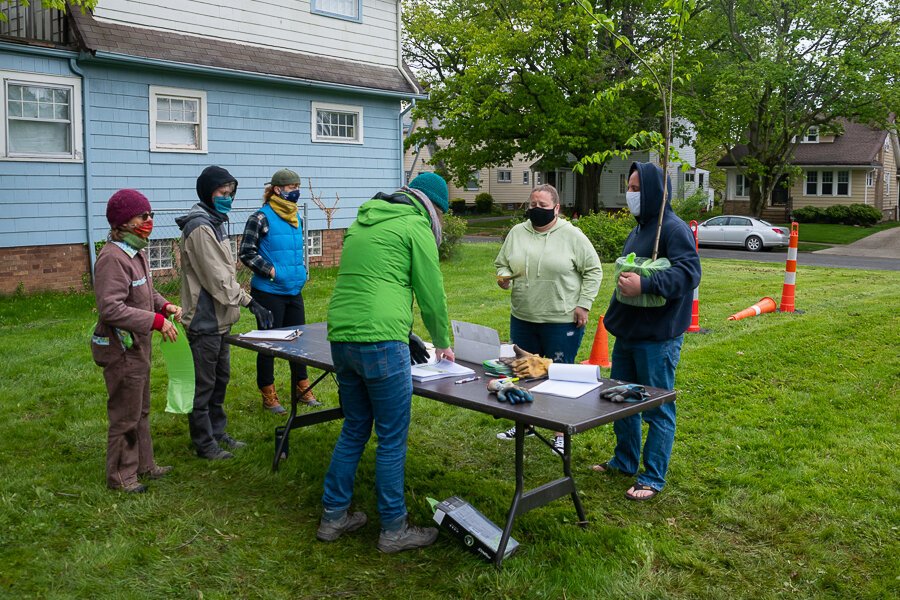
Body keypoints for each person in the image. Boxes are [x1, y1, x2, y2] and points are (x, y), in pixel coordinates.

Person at [318, 172, 454, 553]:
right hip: (380, 342)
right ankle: (393, 529)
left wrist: (405, 330)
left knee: (355, 427)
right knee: (391, 438)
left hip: (342, 337)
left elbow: (372, 281)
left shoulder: (363, 220)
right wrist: (442, 341)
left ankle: (333, 516)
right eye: (440, 214)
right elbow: (431, 290)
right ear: (432, 207)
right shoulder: (415, 226)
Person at [592, 162, 701, 501]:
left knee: (656, 406)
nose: (631, 194)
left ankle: (652, 476)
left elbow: (689, 273)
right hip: (628, 334)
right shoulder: (640, 229)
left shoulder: (672, 229)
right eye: (630, 187)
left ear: (656, 191)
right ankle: (624, 461)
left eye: (638, 188)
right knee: (621, 401)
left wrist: (647, 283)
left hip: (658, 338)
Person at [494, 184, 603, 450]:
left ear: (556, 208)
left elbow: (594, 270)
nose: (536, 210)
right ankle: (526, 423)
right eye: (532, 205)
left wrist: (584, 305)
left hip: (560, 319)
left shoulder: (572, 236)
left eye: (542, 206)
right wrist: (504, 275)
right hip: (523, 316)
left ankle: (559, 434)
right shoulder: (517, 233)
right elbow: (502, 262)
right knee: (524, 372)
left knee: (557, 375)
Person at [177, 166, 274, 460]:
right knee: (204, 384)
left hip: (220, 319)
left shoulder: (217, 222)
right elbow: (218, 278)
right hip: (205, 319)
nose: (228, 199)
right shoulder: (200, 227)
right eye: (222, 193)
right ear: (208, 193)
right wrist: (249, 302)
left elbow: (226, 274)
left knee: (221, 379)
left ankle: (217, 432)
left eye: (230, 194)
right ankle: (204, 443)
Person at [91, 189, 182, 493]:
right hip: (120, 348)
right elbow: (111, 307)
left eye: (150, 215)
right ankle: (121, 477)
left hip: (137, 345)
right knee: (125, 413)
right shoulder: (112, 258)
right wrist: (156, 321)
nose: (149, 221)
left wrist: (164, 305)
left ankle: (145, 464)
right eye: (143, 216)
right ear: (122, 222)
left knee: (140, 408)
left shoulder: (137, 252)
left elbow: (144, 292)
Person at [239, 168, 319, 415]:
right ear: (277, 189)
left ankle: (302, 387)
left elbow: (297, 250)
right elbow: (246, 252)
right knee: (269, 344)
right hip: (269, 291)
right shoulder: (260, 218)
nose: (296, 192)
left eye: (298, 187)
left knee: (299, 340)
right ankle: (268, 392)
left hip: (293, 290)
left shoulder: (297, 218)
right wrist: (272, 271)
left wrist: (300, 270)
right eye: (292, 187)